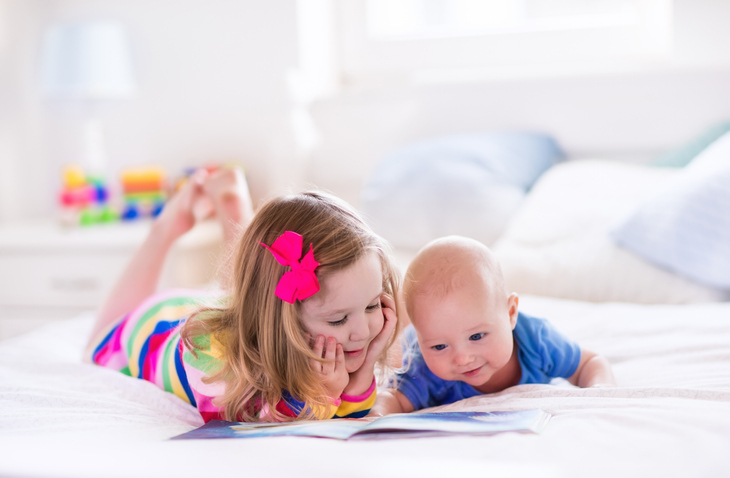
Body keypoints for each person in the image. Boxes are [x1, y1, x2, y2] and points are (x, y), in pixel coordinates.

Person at [84, 167, 401, 423]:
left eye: (373, 304)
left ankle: (234, 209)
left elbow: (353, 417)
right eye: (339, 319)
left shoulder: (334, 332)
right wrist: (325, 395)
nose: (362, 331)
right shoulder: (212, 365)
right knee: (95, 347)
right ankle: (164, 228)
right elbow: (258, 422)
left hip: (231, 310)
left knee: (250, 287)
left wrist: (363, 368)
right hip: (151, 330)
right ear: (282, 319)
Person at [371, 235, 616, 416]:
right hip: (411, 341)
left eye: (477, 336)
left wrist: (599, 390)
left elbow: (589, 363)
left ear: (510, 313)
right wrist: (376, 416)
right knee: (396, 352)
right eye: (439, 346)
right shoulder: (424, 368)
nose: (463, 358)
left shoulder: (537, 340)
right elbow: (394, 398)